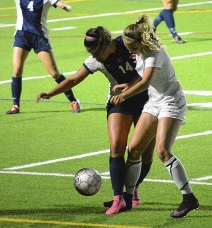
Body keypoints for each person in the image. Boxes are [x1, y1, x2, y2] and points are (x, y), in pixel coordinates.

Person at [36, 26, 155, 215]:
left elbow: (150, 66)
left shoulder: (127, 44)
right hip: (119, 101)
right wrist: (51, 93)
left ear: (107, 44)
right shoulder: (95, 60)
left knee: (144, 154)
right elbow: (74, 79)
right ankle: (118, 199)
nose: (95, 57)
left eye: (96, 52)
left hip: (148, 101)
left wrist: (140, 50)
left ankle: (132, 188)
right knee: (116, 146)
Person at [110, 15, 199, 218]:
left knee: (162, 151)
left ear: (140, 42)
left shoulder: (153, 53)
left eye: (131, 47)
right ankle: (127, 198)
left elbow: (146, 80)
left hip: (171, 102)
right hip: (154, 102)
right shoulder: (140, 51)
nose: (129, 51)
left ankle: (189, 199)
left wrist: (123, 95)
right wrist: (127, 84)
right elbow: (141, 77)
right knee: (133, 150)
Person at [6, 0, 80, 114]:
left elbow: (58, 3)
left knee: (55, 73)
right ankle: (15, 105)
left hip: (39, 37)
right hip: (22, 35)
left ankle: (73, 100)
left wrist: (64, 6)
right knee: (16, 70)